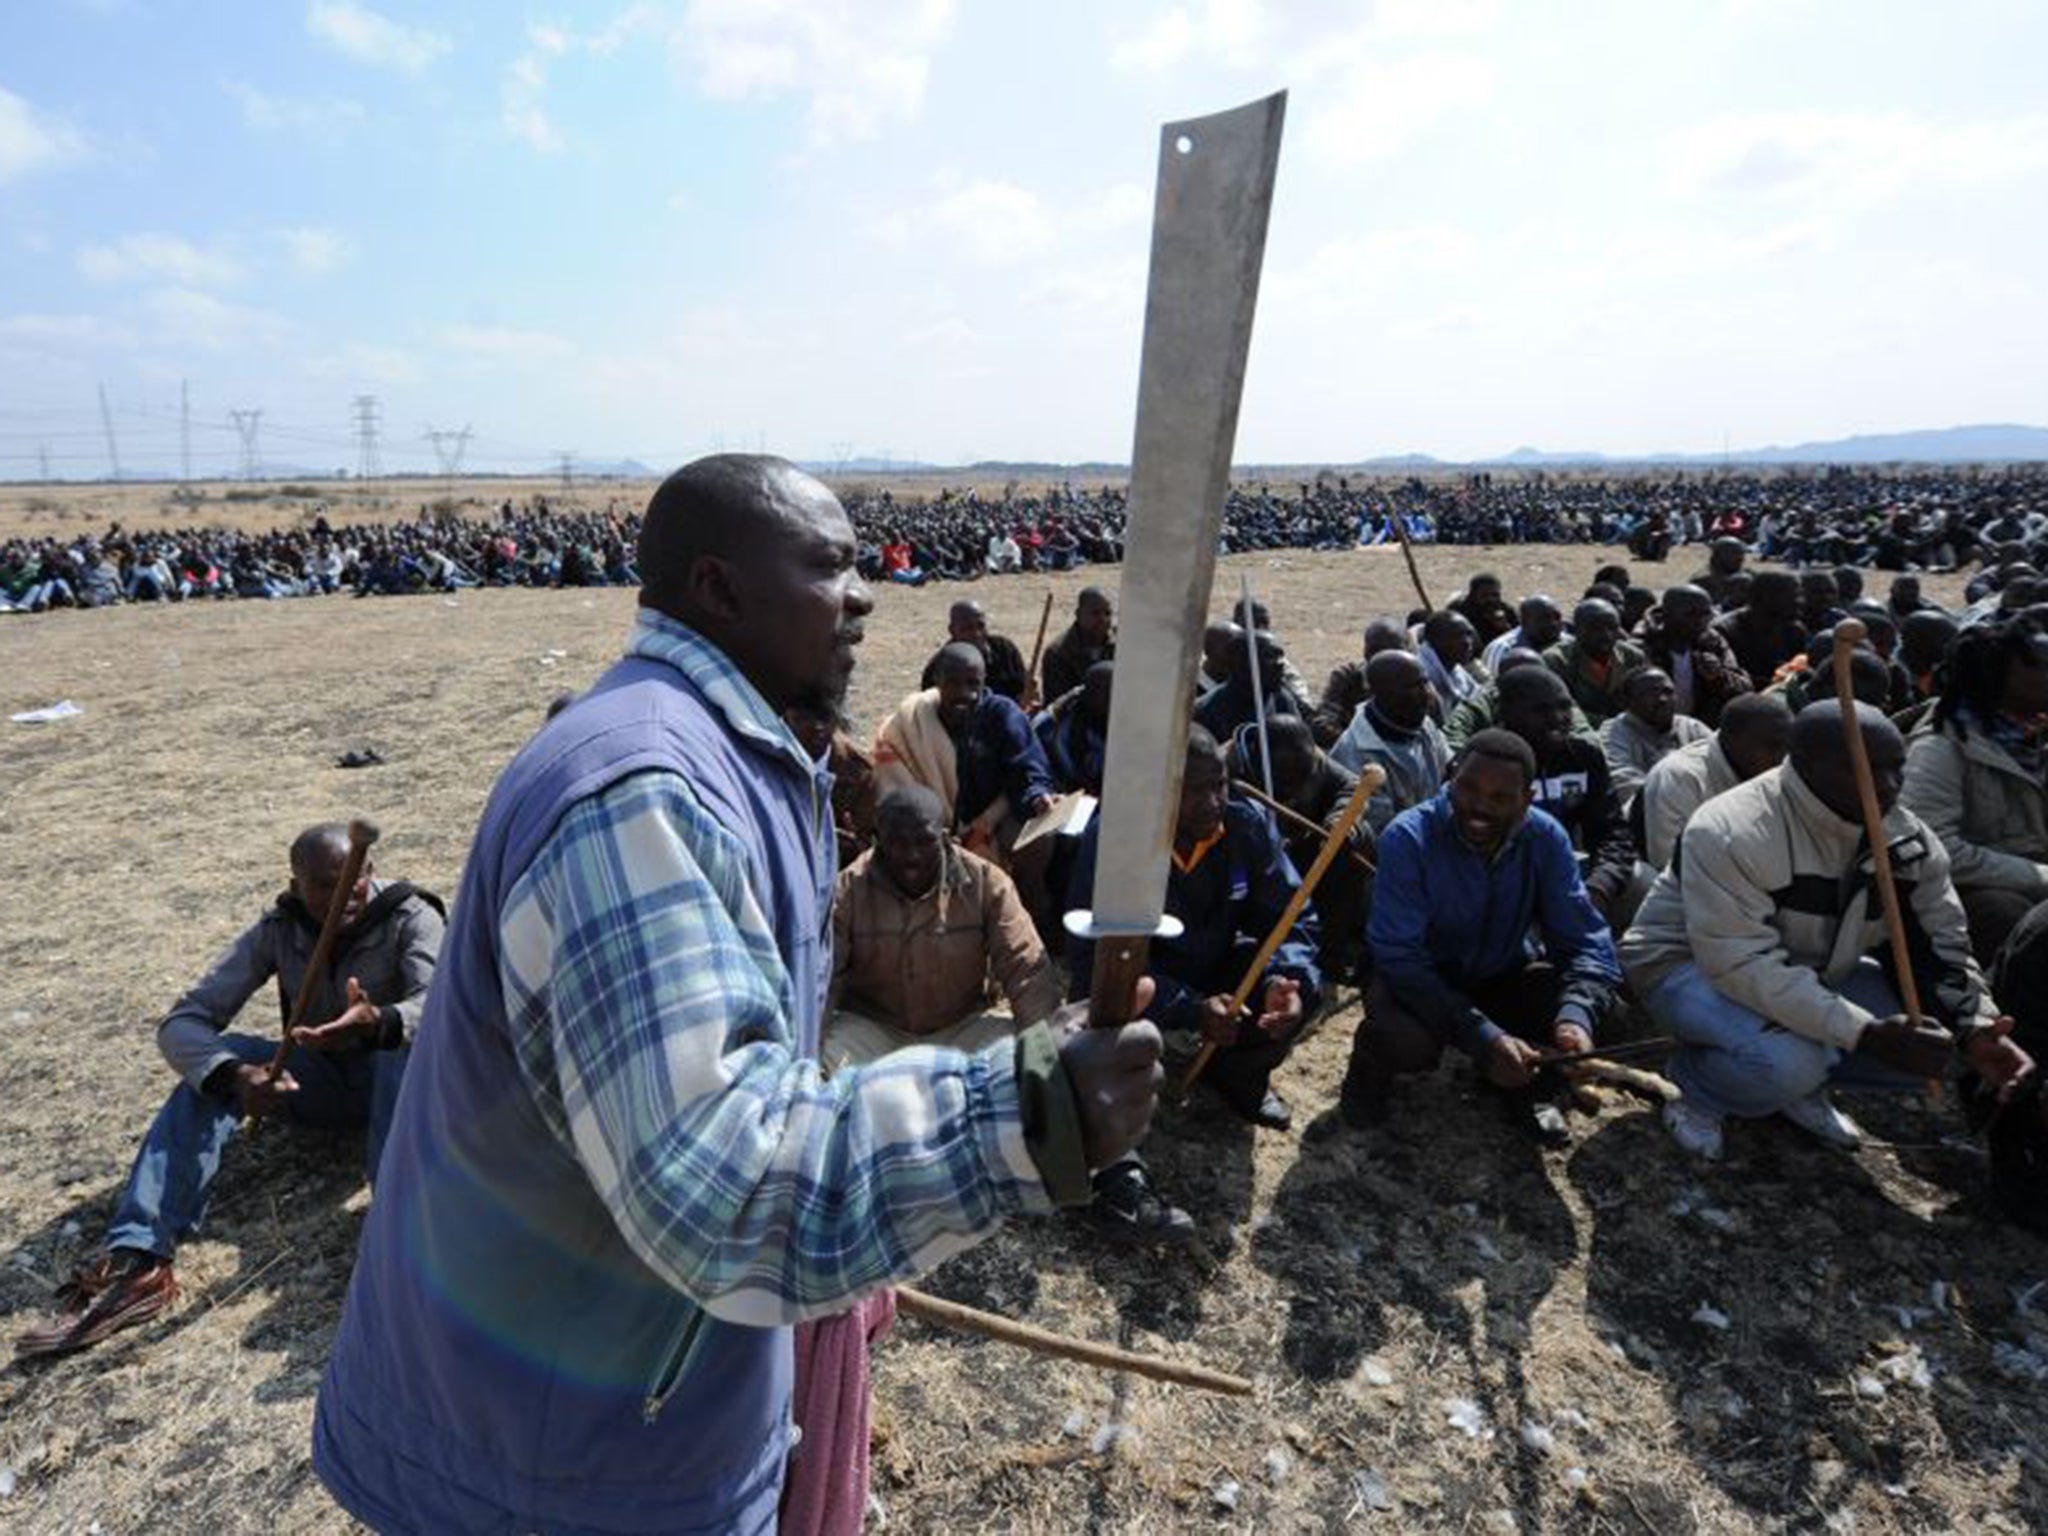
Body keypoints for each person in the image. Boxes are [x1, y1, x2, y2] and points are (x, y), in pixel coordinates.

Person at [311, 456, 1164, 1534]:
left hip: (608, 1402)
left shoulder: (746, 755)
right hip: (555, 1458)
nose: (863, 595)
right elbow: (716, 1186)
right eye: (828, 568)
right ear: (717, 589)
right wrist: (1030, 1111)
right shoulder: (643, 796)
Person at [16, 825, 443, 1359]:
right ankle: (139, 1260)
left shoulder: (412, 917)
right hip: (322, 1084)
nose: (341, 898)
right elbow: (183, 1023)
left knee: (404, 1050)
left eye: (353, 882)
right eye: (322, 886)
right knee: (223, 1059)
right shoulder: (279, 928)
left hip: (403, 1089)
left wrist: (380, 1020)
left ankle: (402, 1247)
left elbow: (446, 1007)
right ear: (296, 882)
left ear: (370, 872)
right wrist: (235, 1076)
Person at [1622, 702, 2033, 1162]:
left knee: (1937, 1044)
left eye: (1896, 769)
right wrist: (1864, 1032)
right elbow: (1738, 964)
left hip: (1810, 969)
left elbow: (1943, 945)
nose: (1887, 786)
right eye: (1862, 769)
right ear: (1803, 762)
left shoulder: (1909, 842)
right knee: (1788, 1064)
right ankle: (1700, 1087)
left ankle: (1793, 1076)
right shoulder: (1731, 828)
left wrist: (1975, 1027)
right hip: (1686, 967)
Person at [1334, 730, 1622, 1142]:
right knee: (1405, 1039)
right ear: (1451, 777)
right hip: (1418, 980)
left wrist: (1575, 1018)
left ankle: (1524, 1083)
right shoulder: (1408, 837)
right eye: (1468, 787)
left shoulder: (1546, 838)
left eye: (1501, 797)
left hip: (1501, 972)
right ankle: (1368, 1070)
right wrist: (1483, 1035)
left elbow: (1585, 939)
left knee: (1602, 1012)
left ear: (1527, 797)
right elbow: (1400, 957)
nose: (1480, 806)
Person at [1070, 728, 1320, 1140]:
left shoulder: (1246, 824)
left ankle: (1238, 1074)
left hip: (1215, 963)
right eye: (1193, 791)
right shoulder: (1116, 840)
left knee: (1298, 983)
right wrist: (1190, 1009)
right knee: (1105, 1004)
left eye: (1219, 785)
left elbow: (1291, 916)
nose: (1212, 803)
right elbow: (1092, 955)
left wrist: (1284, 977)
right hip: (1142, 978)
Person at [824, 788, 1062, 1069]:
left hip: (960, 1030)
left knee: (1019, 1051)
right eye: (898, 843)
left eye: (924, 841)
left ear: (946, 838)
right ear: (878, 841)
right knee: (825, 1056)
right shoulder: (848, 889)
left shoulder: (987, 884)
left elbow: (1027, 972)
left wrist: (1044, 1058)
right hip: (875, 1031)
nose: (912, 855)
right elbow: (822, 982)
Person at [1901, 617, 2048, 962]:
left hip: (2036, 879)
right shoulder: (1941, 746)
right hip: (1973, 893)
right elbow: (1928, 846)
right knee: (2008, 915)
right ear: (1999, 677)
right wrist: (2037, 876)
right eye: (2043, 668)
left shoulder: (2033, 736)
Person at [876, 642, 1055, 850]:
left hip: (992, 821)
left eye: (973, 684)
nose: (964, 693)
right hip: (929, 826)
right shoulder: (913, 721)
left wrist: (1036, 795)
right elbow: (895, 785)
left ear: (984, 681)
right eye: (953, 683)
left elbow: (1029, 766)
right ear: (937, 680)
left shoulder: (1001, 714)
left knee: (1040, 840)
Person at [1235, 715, 1376, 980]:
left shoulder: (1317, 762)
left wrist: (1339, 824)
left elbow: (1352, 787)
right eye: (1286, 779)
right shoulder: (1232, 769)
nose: (1296, 789)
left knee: (1360, 837)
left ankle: (1332, 948)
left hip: (1302, 851)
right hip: (1250, 864)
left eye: (1303, 777)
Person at [1495, 665, 1637, 924]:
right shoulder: (1484, 763)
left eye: (1564, 706)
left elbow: (1613, 832)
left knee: (1643, 882)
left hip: (1571, 880)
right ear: (1506, 713)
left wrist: (1601, 885)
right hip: (1503, 889)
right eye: (1542, 710)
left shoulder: (1583, 757)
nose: (1558, 718)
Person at [1637, 692, 1794, 869]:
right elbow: (1668, 864)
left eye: (1789, 746)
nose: (1783, 757)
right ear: (1732, 740)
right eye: (1773, 746)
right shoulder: (1679, 777)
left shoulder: (1775, 769)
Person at [1330, 648, 1452, 833]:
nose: (1427, 693)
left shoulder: (1420, 723)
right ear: (1382, 693)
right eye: (1413, 686)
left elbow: (1449, 771)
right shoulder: (1357, 755)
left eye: (1426, 682)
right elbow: (1387, 831)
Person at [1634, 584, 1752, 727]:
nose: (1700, 621)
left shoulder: (1712, 642)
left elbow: (1744, 688)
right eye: (1690, 614)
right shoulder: (1641, 645)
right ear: (1666, 615)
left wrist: (1718, 675)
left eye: (1705, 614)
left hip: (1698, 728)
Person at [1602, 665, 1710, 810]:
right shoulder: (1614, 732)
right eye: (1650, 693)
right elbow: (1624, 784)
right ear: (1628, 701)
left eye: (1668, 691)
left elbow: (1720, 763)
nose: (1663, 699)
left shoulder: (1691, 727)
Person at [1193, 625, 1309, 742]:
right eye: (1269, 656)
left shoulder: (1281, 699)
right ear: (1239, 664)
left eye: (1280, 655)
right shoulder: (1207, 712)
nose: (1280, 663)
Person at [1542, 598, 1645, 725]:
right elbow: (1563, 709)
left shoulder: (1632, 657)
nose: (1606, 635)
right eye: (1596, 628)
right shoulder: (1556, 660)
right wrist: (1611, 725)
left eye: (1612, 627)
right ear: (1576, 630)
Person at [1311, 617, 1412, 747]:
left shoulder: (1414, 681)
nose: (1383, 657)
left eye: (1392, 651)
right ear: (1366, 652)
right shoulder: (1348, 678)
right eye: (1376, 650)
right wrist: (1363, 746)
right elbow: (1322, 724)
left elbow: (1433, 721)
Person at [919, 598, 1029, 702]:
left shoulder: (1005, 650)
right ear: (952, 630)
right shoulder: (939, 667)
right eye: (967, 628)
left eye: (980, 626)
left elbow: (1021, 690)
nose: (976, 634)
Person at [1716, 570, 1808, 690]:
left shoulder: (1794, 630)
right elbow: (1724, 680)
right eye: (1794, 596)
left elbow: (1796, 668)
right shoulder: (1725, 632)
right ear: (1766, 597)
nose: (1801, 602)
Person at [1036, 659, 1112, 795]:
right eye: (1100, 691)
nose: (1105, 698)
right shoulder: (1063, 724)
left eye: (1109, 692)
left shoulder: (1125, 722)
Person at [1041, 586, 1116, 703]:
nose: (1103, 619)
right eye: (1095, 613)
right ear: (1078, 614)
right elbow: (1057, 704)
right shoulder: (1059, 653)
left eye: (1107, 613)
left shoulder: (1120, 644)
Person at [1418, 609, 1487, 716]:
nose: (1467, 642)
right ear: (1434, 639)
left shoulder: (1455, 669)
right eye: (1456, 636)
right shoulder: (1422, 674)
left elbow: (1479, 696)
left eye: (1469, 634)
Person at [1481, 594, 1566, 676]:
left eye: (1557, 617)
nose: (1553, 623)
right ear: (1524, 621)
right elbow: (1491, 685)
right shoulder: (1502, 649)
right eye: (1544, 619)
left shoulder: (1566, 640)